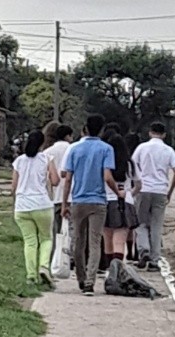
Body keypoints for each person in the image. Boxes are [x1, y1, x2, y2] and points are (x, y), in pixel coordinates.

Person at [62, 114, 124, 296]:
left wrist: (65, 203)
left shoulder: (74, 149)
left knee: (78, 242)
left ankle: (81, 278)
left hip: (78, 200)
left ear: (85, 128)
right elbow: (107, 176)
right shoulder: (106, 149)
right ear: (102, 129)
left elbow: (67, 179)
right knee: (95, 242)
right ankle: (90, 282)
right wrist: (117, 191)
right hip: (98, 201)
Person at [131, 121, 175, 272]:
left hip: (143, 189)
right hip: (160, 190)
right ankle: (154, 260)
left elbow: (132, 165)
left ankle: (143, 250)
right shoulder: (168, 150)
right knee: (156, 225)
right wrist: (170, 191)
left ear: (150, 132)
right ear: (164, 134)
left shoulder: (142, 148)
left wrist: (135, 185)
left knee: (140, 222)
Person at [11, 130, 60, 286]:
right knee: (46, 238)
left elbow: (14, 186)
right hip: (42, 204)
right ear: (42, 144)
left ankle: (30, 275)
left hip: (22, 206)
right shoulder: (46, 158)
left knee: (30, 242)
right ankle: (44, 266)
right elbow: (55, 181)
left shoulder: (19, 161)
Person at [101, 131, 138, 264]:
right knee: (119, 241)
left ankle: (109, 270)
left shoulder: (105, 163)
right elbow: (138, 184)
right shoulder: (129, 163)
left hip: (106, 201)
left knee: (107, 240)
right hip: (125, 202)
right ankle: (118, 270)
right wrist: (130, 194)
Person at [43, 124, 73, 261]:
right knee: (71, 229)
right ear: (68, 136)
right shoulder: (73, 149)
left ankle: (55, 256)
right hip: (72, 194)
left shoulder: (47, 152)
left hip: (54, 195)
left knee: (55, 230)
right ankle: (71, 255)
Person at [123, 132, 143, 261]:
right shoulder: (139, 155)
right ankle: (137, 250)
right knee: (137, 223)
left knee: (128, 225)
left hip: (126, 192)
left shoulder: (123, 156)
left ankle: (129, 250)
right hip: (137, 191)